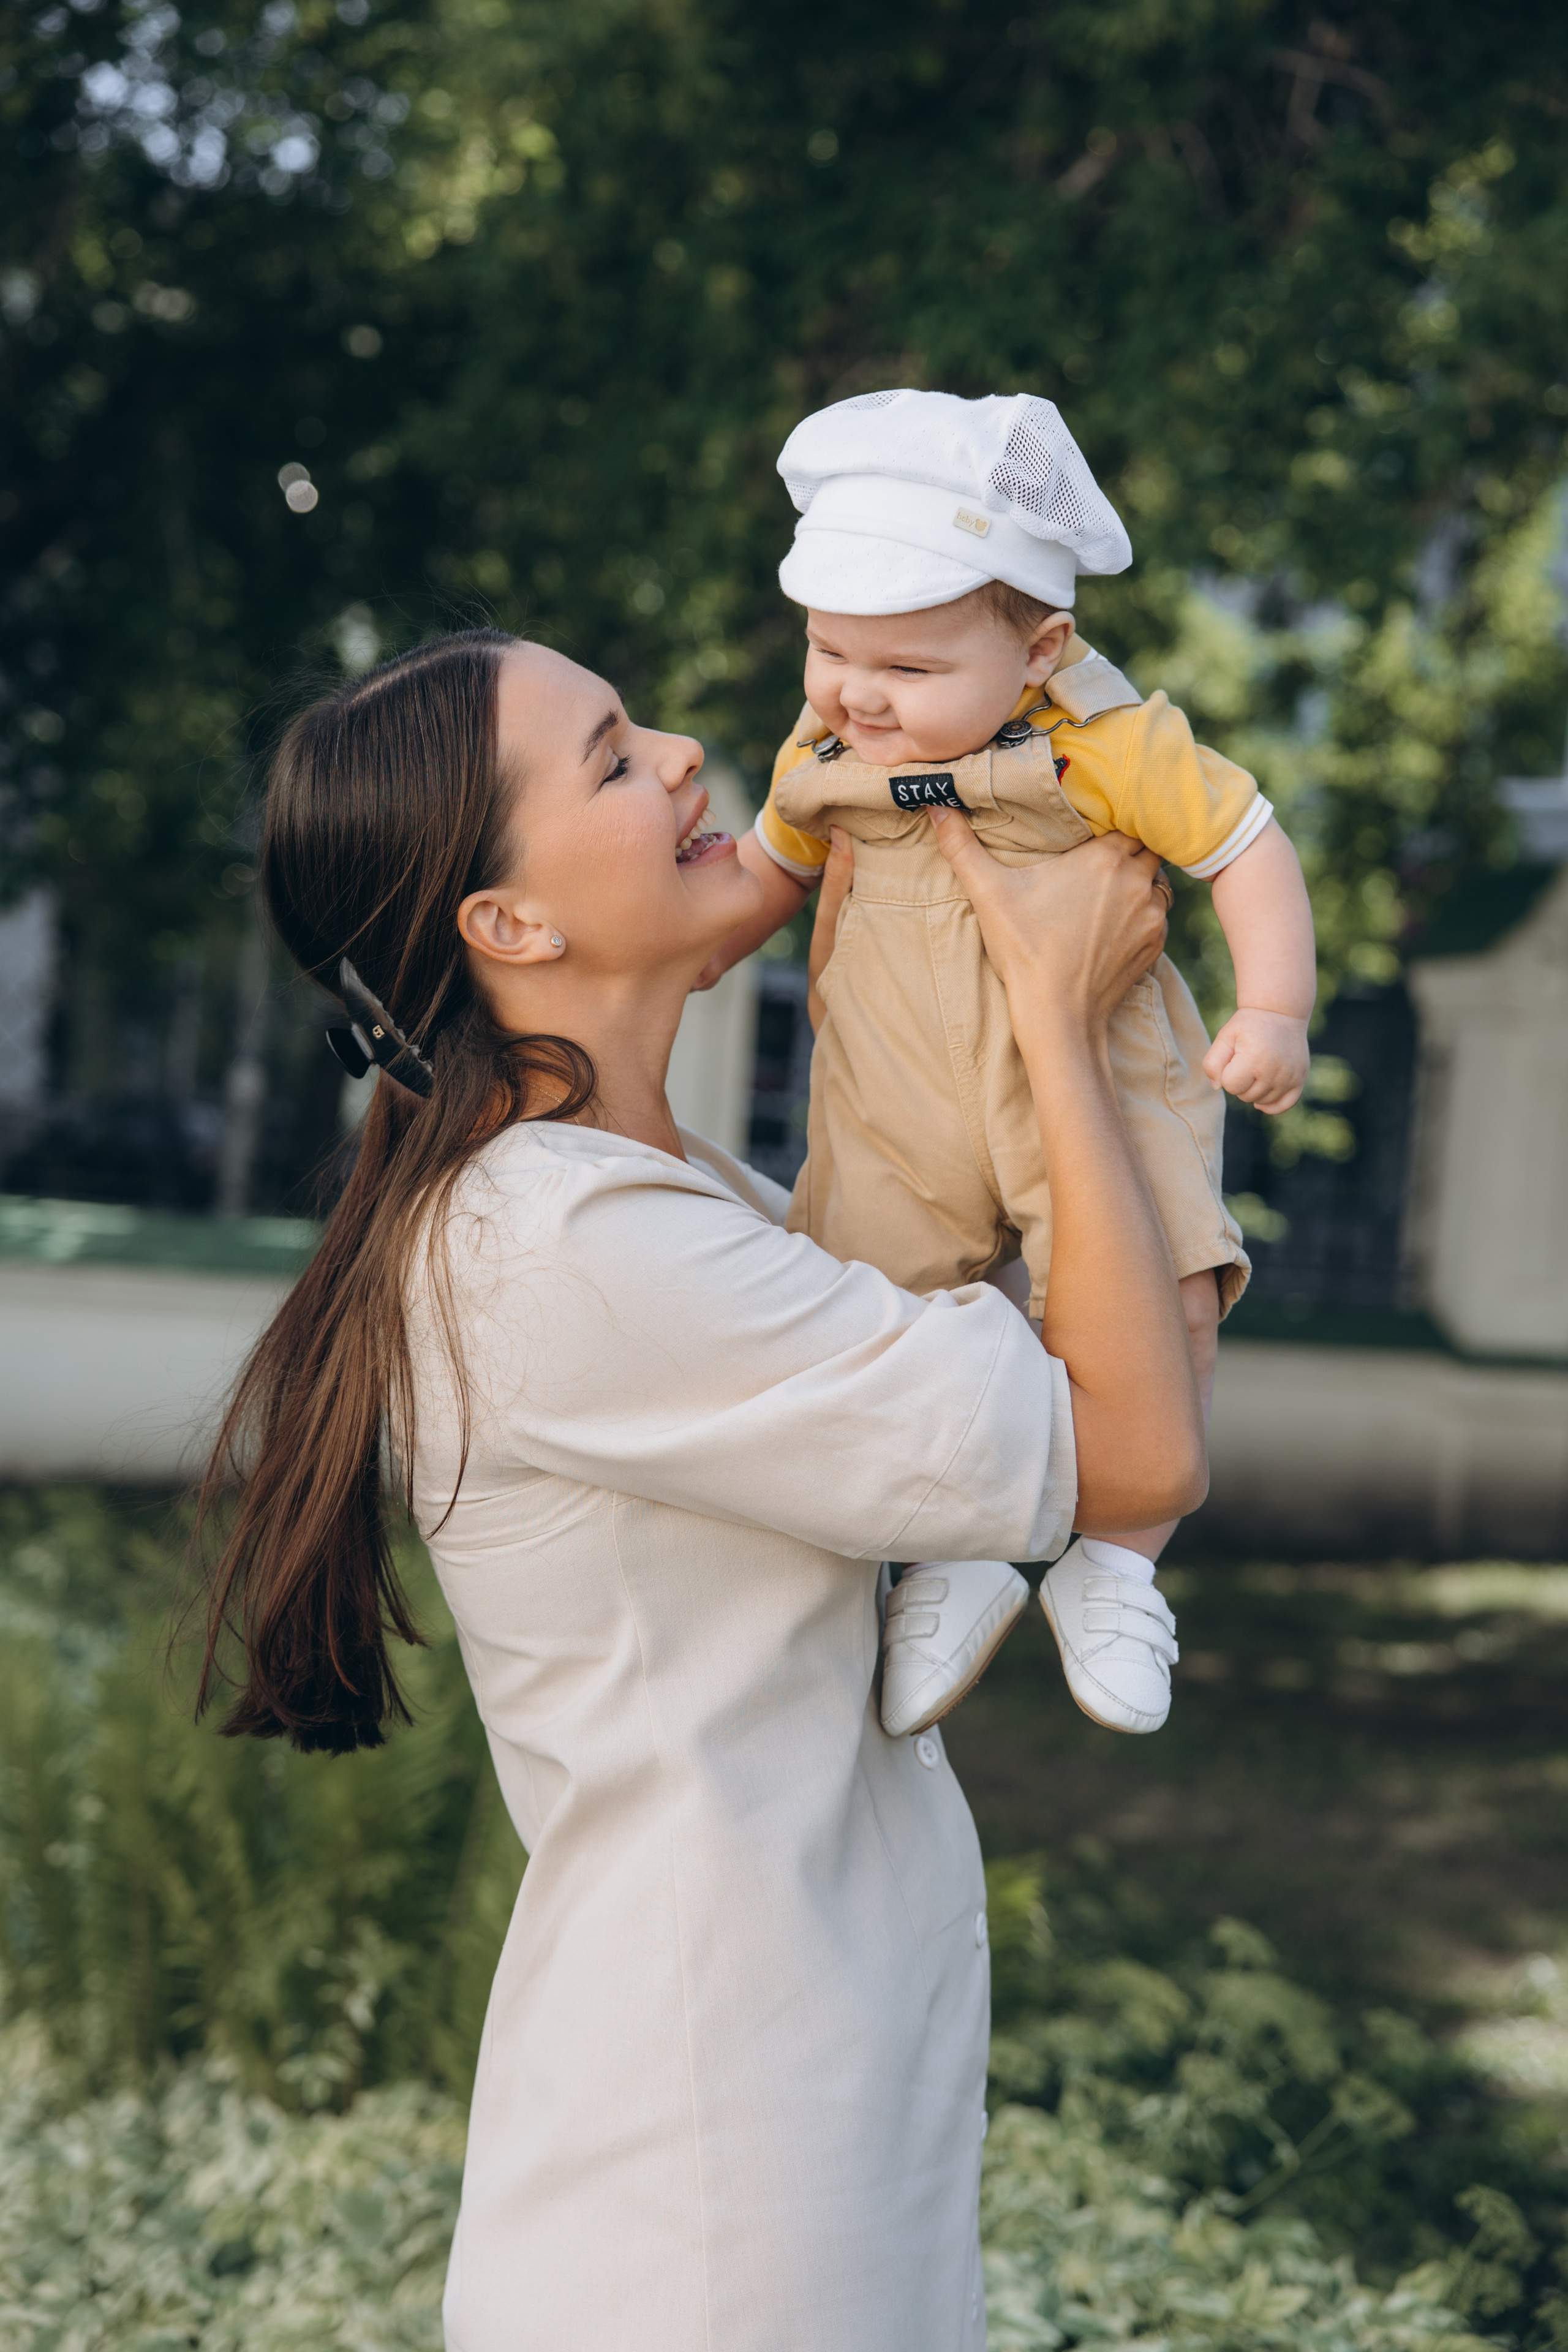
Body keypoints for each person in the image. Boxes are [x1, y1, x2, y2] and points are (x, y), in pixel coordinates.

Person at [195, 625, 1205, 2352]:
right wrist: (1049, 1007)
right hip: (722, 2196)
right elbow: (1134, 1450)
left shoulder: (674, 1204)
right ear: (507, 928)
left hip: (790, 2114)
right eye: (607, 755)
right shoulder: (570, 1251)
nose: (685, 754)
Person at [696, 388, 1317, 1744]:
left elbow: (1244, 844)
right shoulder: (824, 752)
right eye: (828, 650)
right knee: (881, 1305)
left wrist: (1271, 1004)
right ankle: (955, 1555)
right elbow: (764, 873)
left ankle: (1116, 1563)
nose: (857, 692)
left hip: (1097, 1081)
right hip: (894, 1090)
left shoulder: (1106, 746)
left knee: (1168, 1294)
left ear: (1040, 649)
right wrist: (685, 947)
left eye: (907, 670)